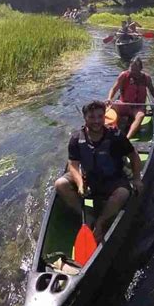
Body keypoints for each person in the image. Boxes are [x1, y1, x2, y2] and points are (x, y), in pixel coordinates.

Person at [55, 100, 143, 244]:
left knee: (123, 193)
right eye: (92, 117)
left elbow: (133, 155)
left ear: (104, 117)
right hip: (89, 177)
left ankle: (100, 222)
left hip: (113, 178)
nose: (96, 121)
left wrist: (137, 178)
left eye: (100, 116)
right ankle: (87, 217)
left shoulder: (116, 136)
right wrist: (79, 183)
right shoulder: (77, 138)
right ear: (85, 118)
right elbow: (73, 165)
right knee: (60, 184)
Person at [106, 57, 154, 139]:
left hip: (138, 107)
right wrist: (109, 98)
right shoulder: (123, 75)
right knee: (108, 109)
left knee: (140, 115)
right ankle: (107, 131)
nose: (133, 72)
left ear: (140, 68)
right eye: (131, 69)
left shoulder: (146, 78)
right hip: (124, 104)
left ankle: (127, 138)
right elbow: (114, 89)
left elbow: (151, 90)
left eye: (135, 70)